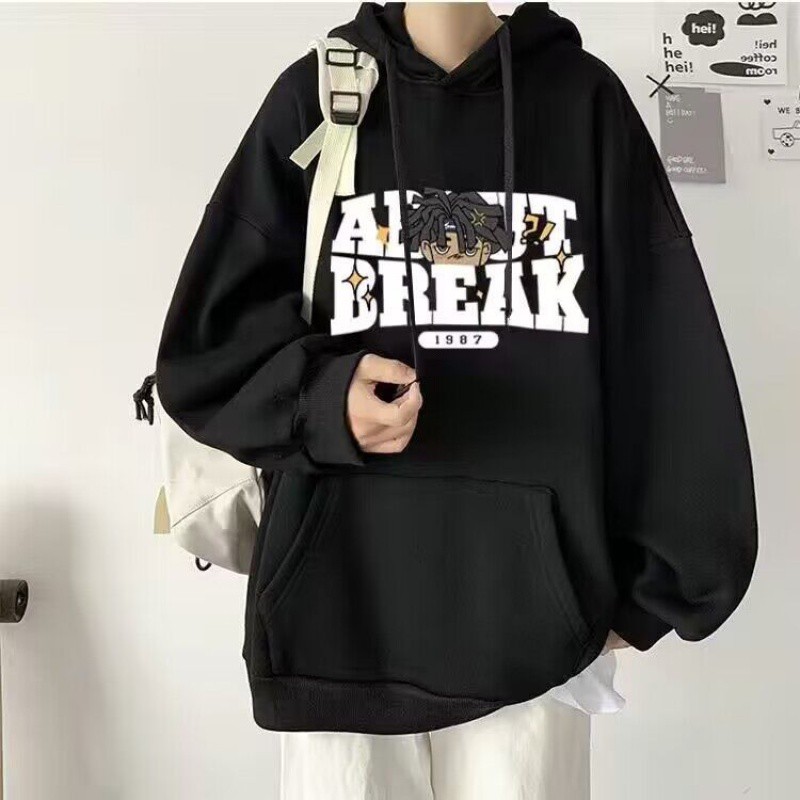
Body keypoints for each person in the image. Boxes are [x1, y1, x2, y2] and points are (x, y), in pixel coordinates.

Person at [155, 2, 758, 797]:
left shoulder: (583, 102)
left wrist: (655, 591)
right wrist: (324, 402)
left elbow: (663, 349)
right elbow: (206, 349)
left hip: (536, 644)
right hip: (341, 623)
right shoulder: (319, 97)